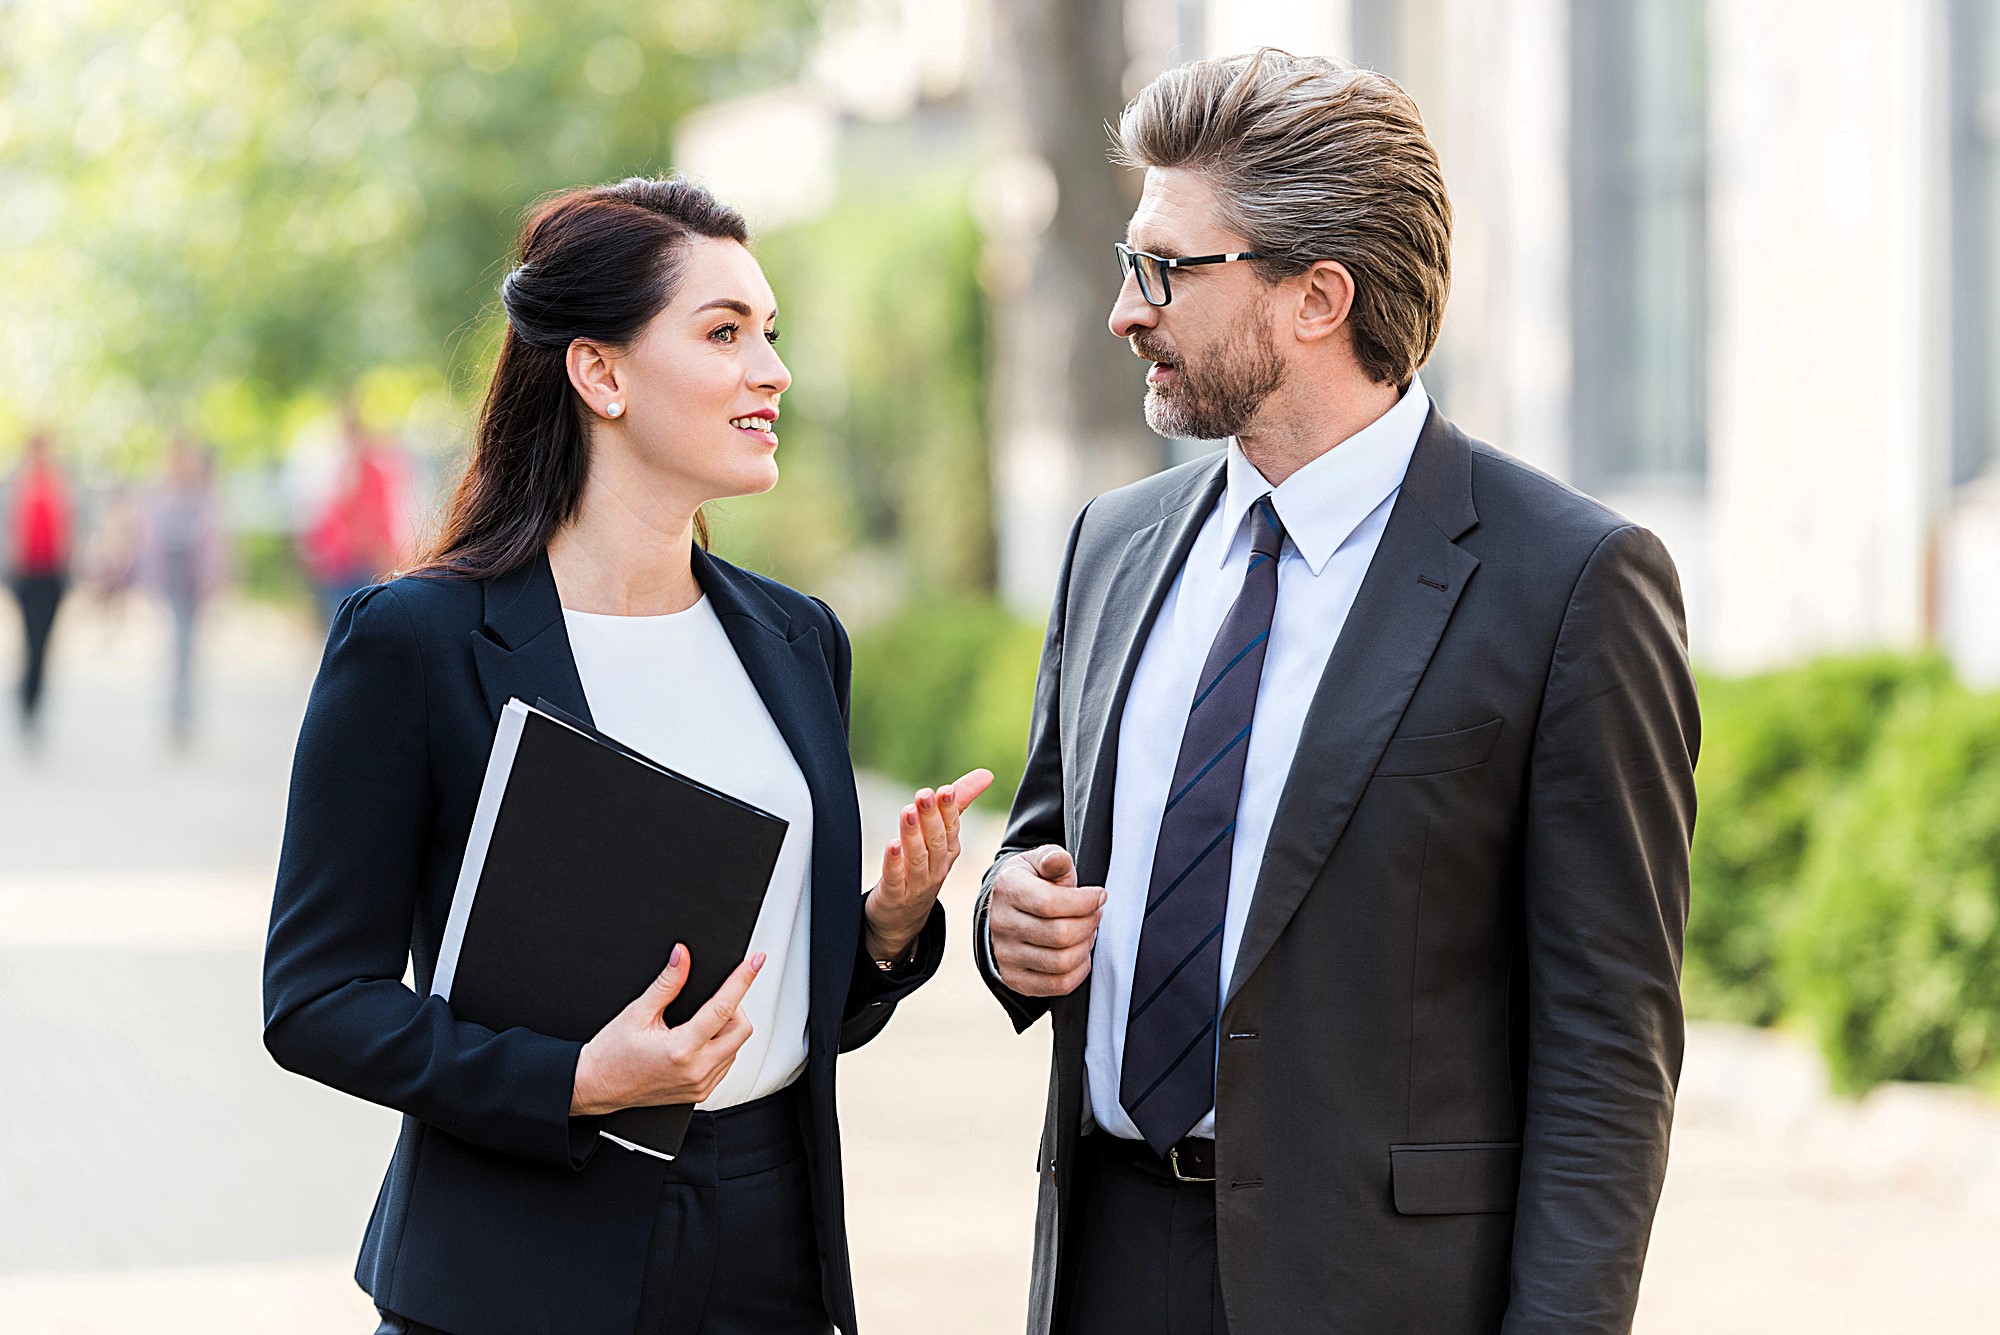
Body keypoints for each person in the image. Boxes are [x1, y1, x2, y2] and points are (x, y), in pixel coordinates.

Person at [975, 51, 1698, 1335]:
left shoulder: (1569, 583)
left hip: (1384, 1295)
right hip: (1106, 1265)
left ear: (1315, 297)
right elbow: (1047, 842)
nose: (1121, 310)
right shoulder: (1112, 543)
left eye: (1161, 269)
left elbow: (1606, 1054)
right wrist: (1005, 916)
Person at [263, 175, 992, 1335]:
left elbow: (793, 1004)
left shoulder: (796, 638)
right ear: (599, 373)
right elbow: (315, 1000)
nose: (772, 370)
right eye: (723, 333)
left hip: (770, 1241)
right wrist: (574, 1082)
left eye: (769, 333)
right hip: (516, 1262)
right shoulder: (418, 643)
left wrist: (886, 929)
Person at [138, 437, 230, 743]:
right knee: (180, 646)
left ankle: (183, 711)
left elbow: (214, 548)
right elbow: (151, 544)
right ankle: (179, 711)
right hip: (172, 584)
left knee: (188, 648)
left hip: (194, 586)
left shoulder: (204, 499)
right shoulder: (162, 498)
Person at [299, 408, 408, 624]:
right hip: (340, 563)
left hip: (366, 562)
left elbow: (382, 517)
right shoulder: (339, 470)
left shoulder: (373, 471)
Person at [6, 432, 73, 742]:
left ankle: (33, 693)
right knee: (30, 637)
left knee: (44, 639)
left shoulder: (59, 485)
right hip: (27, 575)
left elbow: (69, 529)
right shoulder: (17, 486)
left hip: (51, 574)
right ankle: (27, 696)